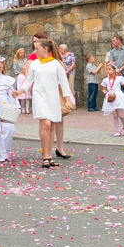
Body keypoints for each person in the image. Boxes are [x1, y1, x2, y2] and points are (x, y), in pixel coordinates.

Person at [19, 39, 73, 169]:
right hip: (39, 97)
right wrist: (19, 91)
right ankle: (45, 157)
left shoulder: (57, 64)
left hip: (53, 97)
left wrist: (67, 100)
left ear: (45, 49)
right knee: (46, 124)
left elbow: (64, 83)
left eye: (37, 48)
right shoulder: (34, 64)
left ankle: (49, 156)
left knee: (52, 126)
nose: (35, 51)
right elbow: (28, 82)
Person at [101, 62, 124, 137]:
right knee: (114, 115)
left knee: (121, 115)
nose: (108, 71)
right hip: (111, 97)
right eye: (107, 69)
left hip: (118, 97)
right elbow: (104, 89)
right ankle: (117, 130)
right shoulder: (105, 80)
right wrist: (105, 92)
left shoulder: (119, 79)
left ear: (114, 70)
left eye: (110, 69)